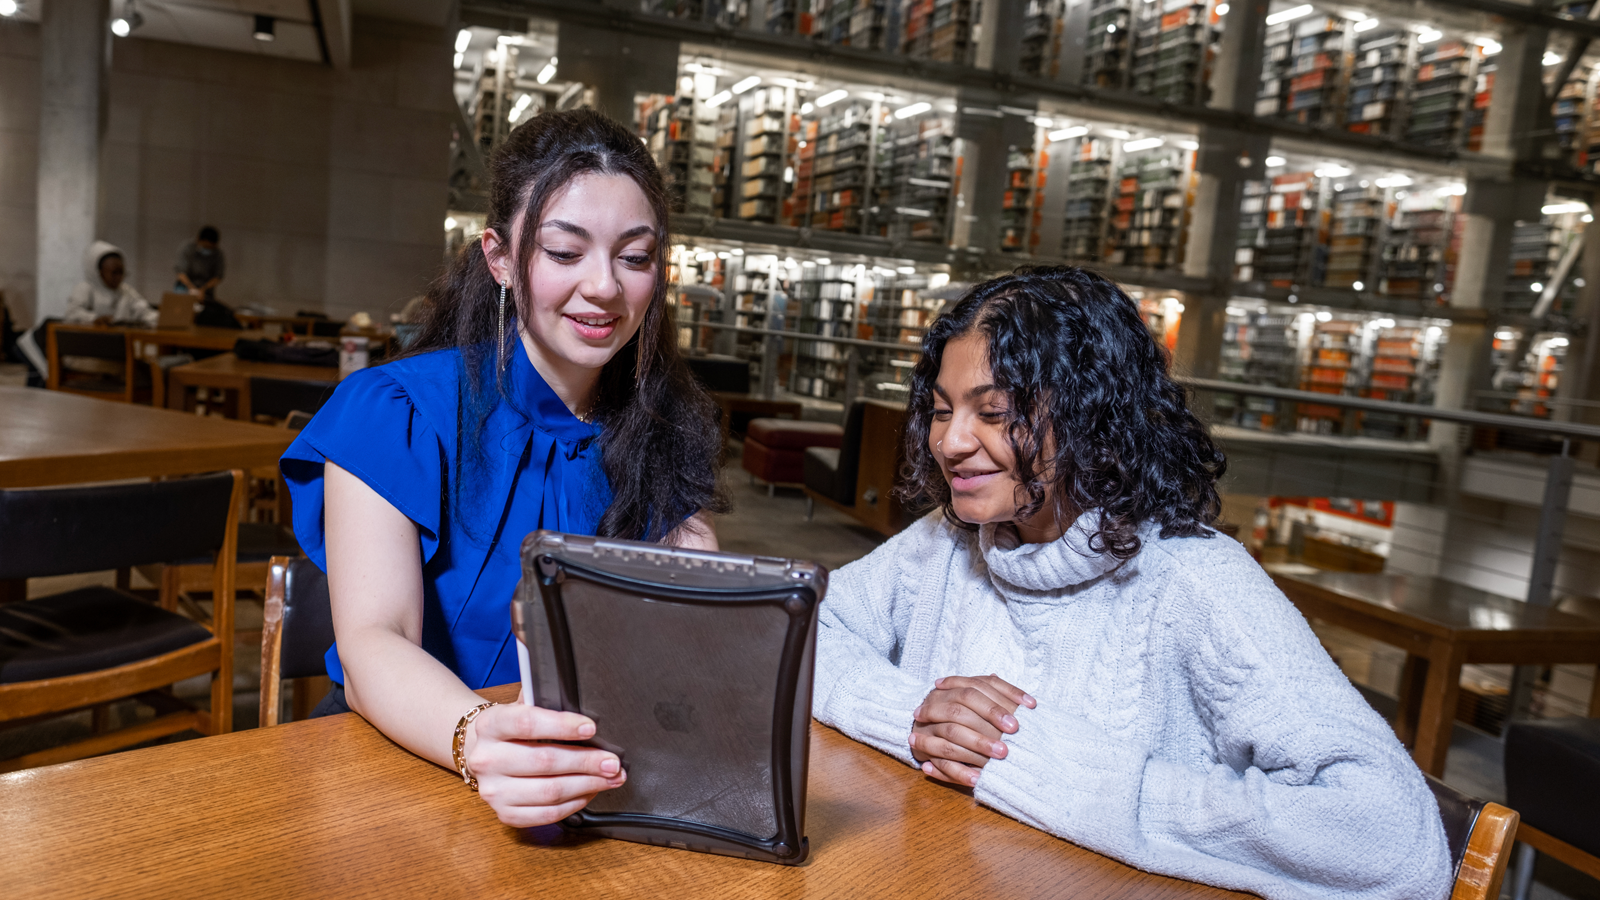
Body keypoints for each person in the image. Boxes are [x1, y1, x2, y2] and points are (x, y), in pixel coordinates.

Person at [811, 266, 1451, 900]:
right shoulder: (945, 542)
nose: (950, 441)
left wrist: (1051, 771)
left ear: (1093, 417)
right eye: (943, 410)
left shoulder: (1197, 582)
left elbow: (1392, 840)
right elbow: (798, 633)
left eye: (995, 412)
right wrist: (915, 719)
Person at [280, 108, 727, 828]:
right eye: (564, 252)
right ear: (498, 257)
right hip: (398, 775)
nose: (605, 288)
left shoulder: (665, 435)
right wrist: (476, 738)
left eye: (635, 257)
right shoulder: (391, 409)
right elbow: (373, 640)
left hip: (588, 783)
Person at [64, 241, 157, 328]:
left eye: (121, 272)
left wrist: (161, 319)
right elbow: (72, 314)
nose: (119, 277)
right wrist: (94, 319)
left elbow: (144, 311)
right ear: (99, 272)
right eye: (114, 273)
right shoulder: (85, 288)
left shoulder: (125, 291)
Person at [174, 225, 241, 328]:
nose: (207, 250)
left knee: (211, 315)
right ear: (198, 239)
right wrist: (192, 290)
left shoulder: (218, 254)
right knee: (180, 312)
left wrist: (203, 290)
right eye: (205, 246)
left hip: (205, 292)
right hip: (186, 287)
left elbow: (218, 277)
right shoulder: (188, 248)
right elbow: (181, 273)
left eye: (210, 248)